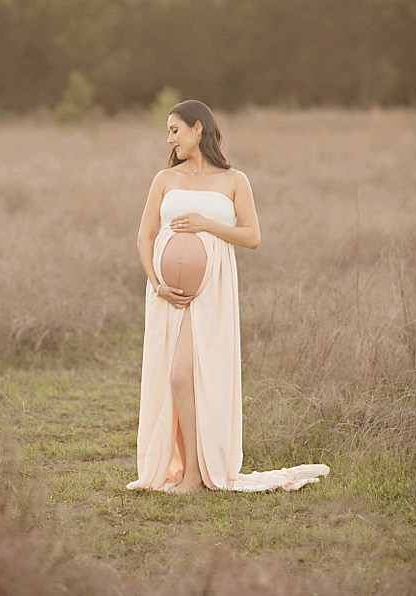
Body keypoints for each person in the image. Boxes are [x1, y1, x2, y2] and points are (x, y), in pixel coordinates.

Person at [127, 99, 328, 493]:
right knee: (176, 377)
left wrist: (207, 225)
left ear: (198, 128)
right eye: (168, 131)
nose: (169, 139)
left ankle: (197, 474)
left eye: (174, 130)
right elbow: (144, 236)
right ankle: (190, 471)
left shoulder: (235, 180)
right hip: (168, 295)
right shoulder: (164, 180)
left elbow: (252, 237)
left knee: (185, 375)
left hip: (212, 292)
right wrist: (156, 282)